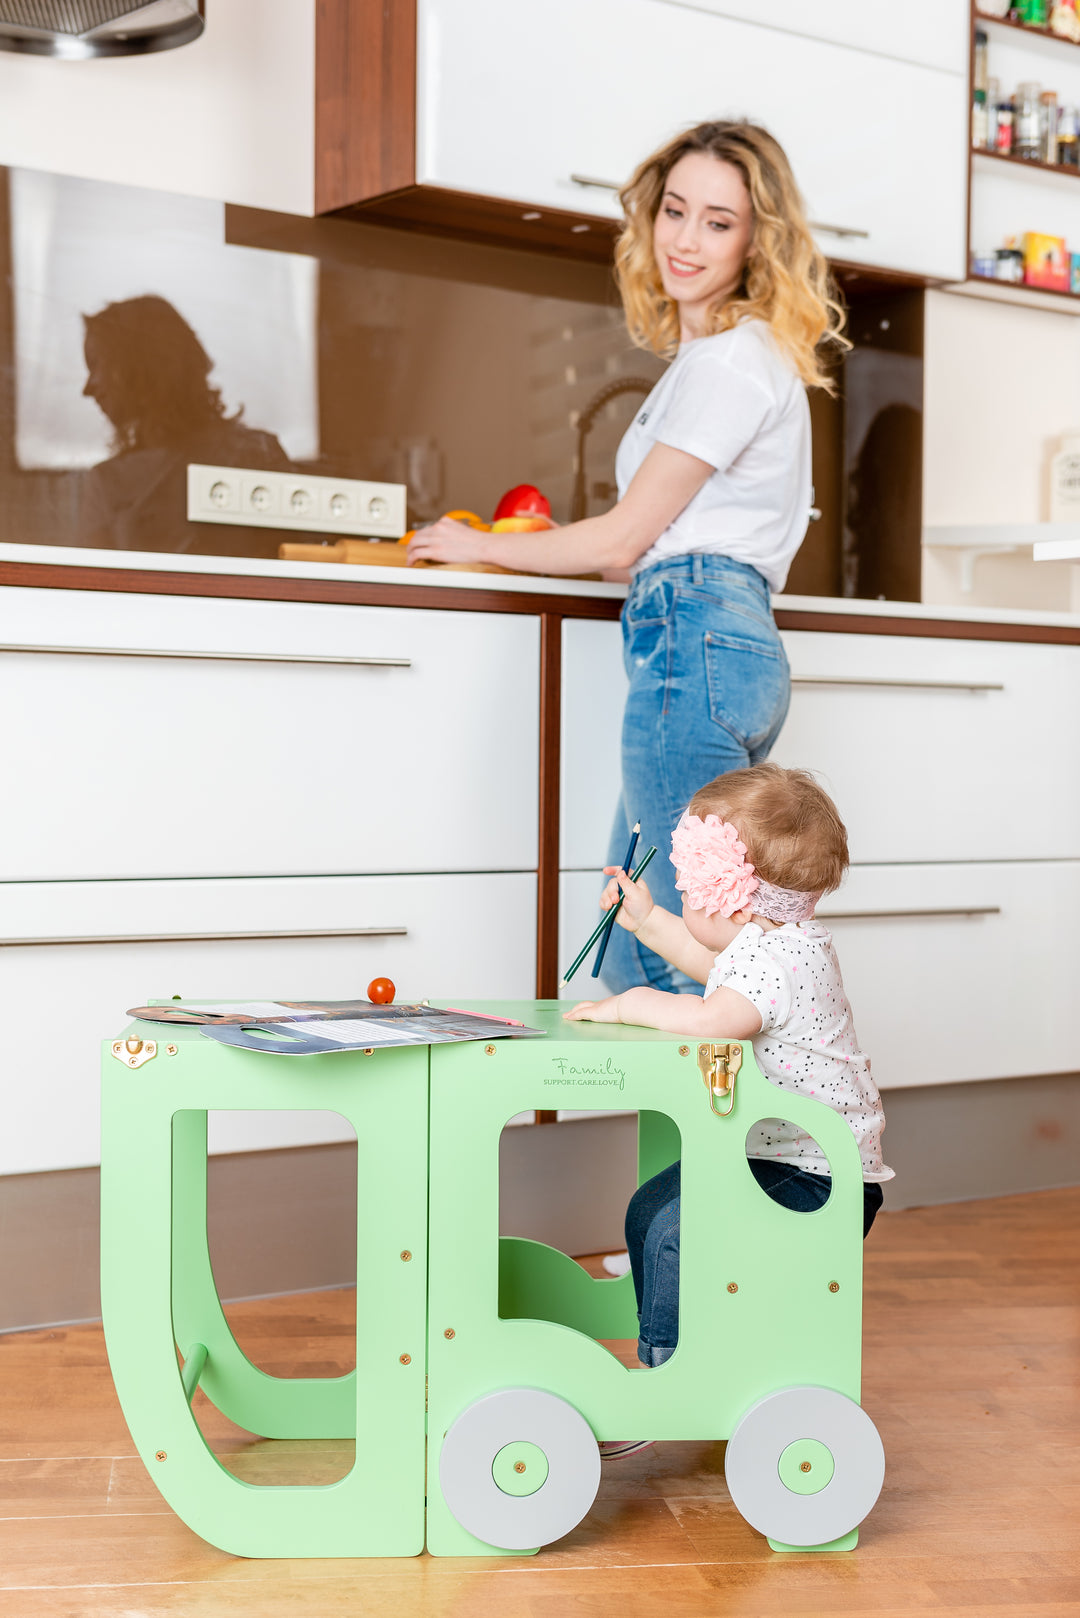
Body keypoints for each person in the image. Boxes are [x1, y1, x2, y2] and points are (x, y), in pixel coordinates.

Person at [407, 121, 848, 993]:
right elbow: (645, 547)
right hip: (716, 639)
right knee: (630, 937)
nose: (685, 239)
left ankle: (750, 1093)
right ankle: (693, 1090)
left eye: (718, 222)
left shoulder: (731, 362)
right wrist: (556, 549)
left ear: (758, 240)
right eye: (675, 211)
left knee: (687, 942)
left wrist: (478, 546)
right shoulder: (724, 360)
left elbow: (622, 538)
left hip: (695, 639)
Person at [564, 763, 892, 1454]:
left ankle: (668, 1388)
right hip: (789, 1158)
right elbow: (712, 963)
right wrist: (647, 921)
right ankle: (677, 1355)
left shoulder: (775, 963)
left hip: (821, 1179)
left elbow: (714, 1017)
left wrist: (631, 1003)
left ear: (737, 902)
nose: (682, 895)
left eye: (688, 888)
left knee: (674, 1233)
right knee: (649, 1210)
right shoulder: (778, 942)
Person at [80, 295, 291, 554]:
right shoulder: (105, 483)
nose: (87, 389)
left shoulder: (255, 455)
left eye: (96, 364)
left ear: (142, 364)